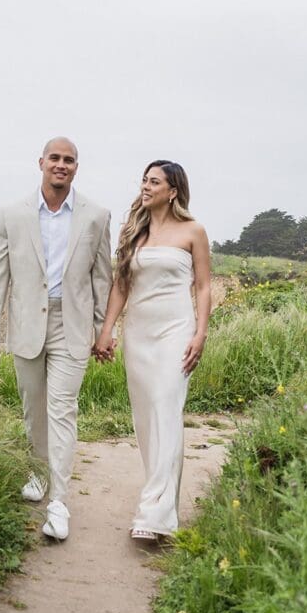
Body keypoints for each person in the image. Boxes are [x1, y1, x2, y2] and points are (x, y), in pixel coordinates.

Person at [0, 136, 113, 541]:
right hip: (25, 325)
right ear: (40, 162)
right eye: (54, 158)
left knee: (62, 410)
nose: (61, 164)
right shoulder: (11, 214)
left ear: (76, 167)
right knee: (33, 409)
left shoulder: (97, 216)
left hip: (71, 328)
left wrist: (102, 331)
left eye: (69, 160)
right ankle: (38, 474)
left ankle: (59, 502)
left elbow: (102, 278)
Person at [94, 160, 211, 541]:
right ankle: (162, 502)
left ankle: (154, 513)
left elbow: (204, 287)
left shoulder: (193, 231)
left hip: (177, 331)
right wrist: (107, 330)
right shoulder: (135, 232)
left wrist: (201, 333)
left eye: (154, 181)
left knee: (166, 410)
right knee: (146, 419)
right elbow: (121, 286)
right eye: (144, 180)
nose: (145, 186)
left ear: (172, 190)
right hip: (139, 334)